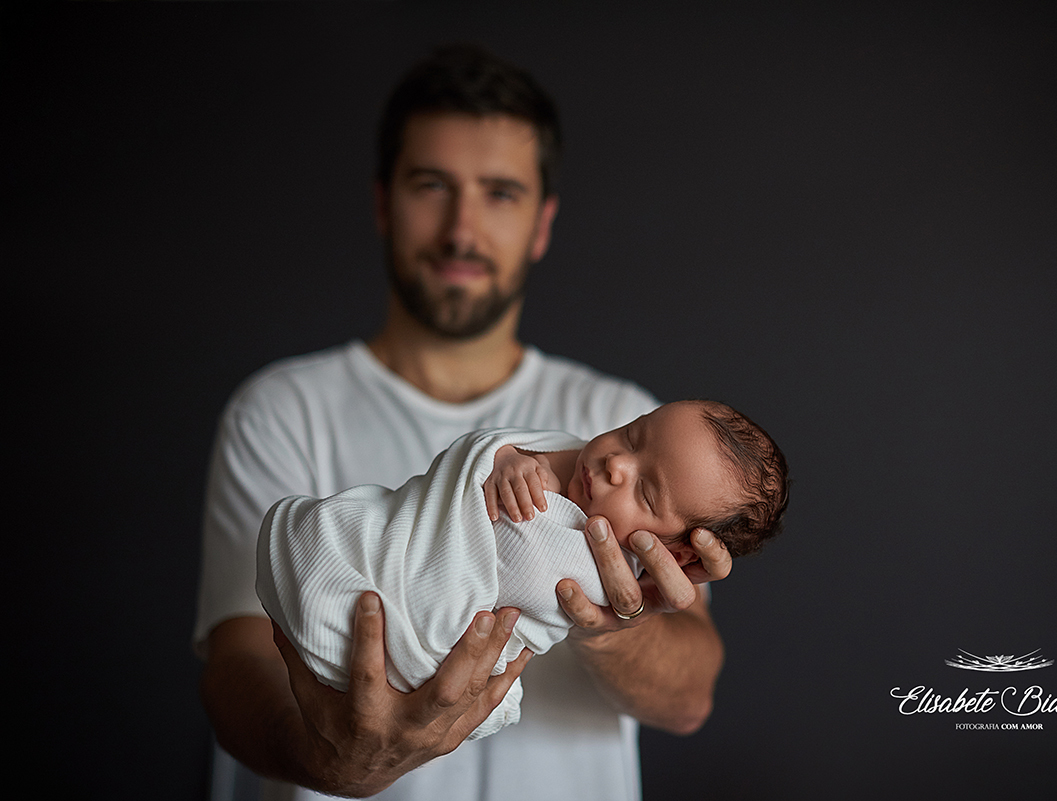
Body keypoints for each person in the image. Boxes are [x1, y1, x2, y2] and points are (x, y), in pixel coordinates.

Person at [195, 44, 735, 800]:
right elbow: (236, 666)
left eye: (501, 193)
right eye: (431, 185)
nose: (461, 229)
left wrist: (617, 626)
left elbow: (689, 697)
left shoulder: (623, 427)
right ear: (384, 201)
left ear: (543, 223)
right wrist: (330, 761)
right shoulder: (284, 408)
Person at [257, 401, 789, 742]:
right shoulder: (569, 454)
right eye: (632, 433)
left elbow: (690, 702)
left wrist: (616, 624)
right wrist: (506, 460)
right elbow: (481, 456)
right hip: (381, 571)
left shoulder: (631, 577)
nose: (614, 464)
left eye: (645, 492)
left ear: (679, 555)